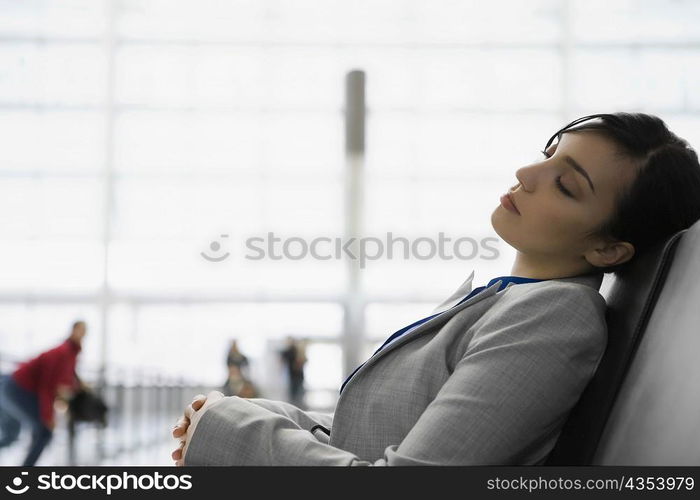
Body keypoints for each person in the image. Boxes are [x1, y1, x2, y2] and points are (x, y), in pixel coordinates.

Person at [171, 112, 700, 466]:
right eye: (548, 153)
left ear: (608, 250)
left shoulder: (554, 317)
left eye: (565, 183)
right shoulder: (509, 297)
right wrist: (244, 418)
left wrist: (231, 433)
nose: (526, 172)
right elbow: (380, 427)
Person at [0, 320, 86, 466]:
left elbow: (63, 380)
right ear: (72, 330)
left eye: (84, 331)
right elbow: (47, 385)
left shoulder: (71, 355)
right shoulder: (62, 352)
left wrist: (77, 384)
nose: (82, 334)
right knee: (44, 431)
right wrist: (48, 415)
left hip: (14, 388)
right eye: (79, 329)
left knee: (15, 434)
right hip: (15, 389)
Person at [279, 337, 307, 408]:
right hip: (293, 377)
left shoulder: (298, 350)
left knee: (299, 395)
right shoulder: (288, 351)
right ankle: (295, 407)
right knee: (293, 395)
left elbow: (304, 360)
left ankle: (299, 408)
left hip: (298, 376)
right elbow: (281, 360)